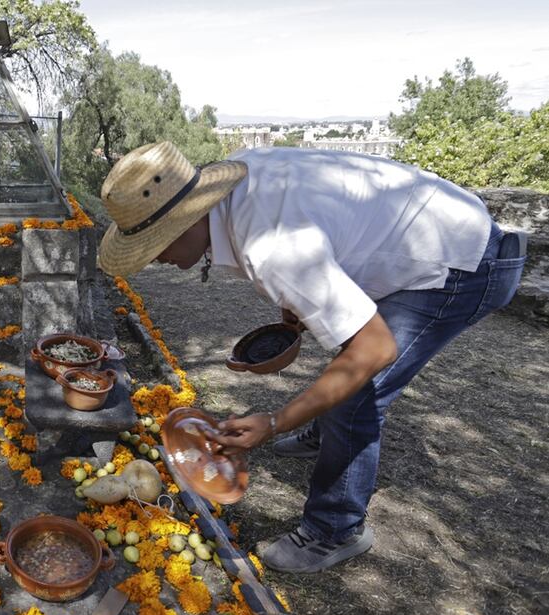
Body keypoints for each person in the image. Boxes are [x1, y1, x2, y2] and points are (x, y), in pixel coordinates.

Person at [96, 141, 526, 573]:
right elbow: (324, 240)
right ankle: (324, 435)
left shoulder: (275, 247)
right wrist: (296, 311)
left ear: (187, 220)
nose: (155, 259)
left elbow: (373, 349)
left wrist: (277, 420)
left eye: (154, 245)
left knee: (357, 393)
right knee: (347, 365)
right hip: (435, 234)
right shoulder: (244, 188)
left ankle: (335, 529)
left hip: (464, 264)